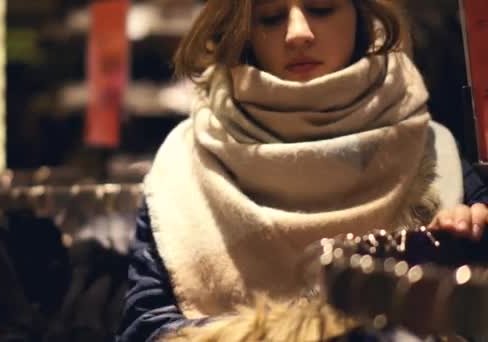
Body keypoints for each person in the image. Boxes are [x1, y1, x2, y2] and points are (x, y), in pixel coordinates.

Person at [116, 0, 488, 341]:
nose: (298, 33)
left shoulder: (430, 151)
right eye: (271, 18)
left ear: (360, 14)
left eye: (322, 8)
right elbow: (146, 327)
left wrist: (468, 248)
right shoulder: (185, 162)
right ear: (242, 28)